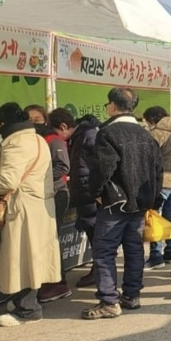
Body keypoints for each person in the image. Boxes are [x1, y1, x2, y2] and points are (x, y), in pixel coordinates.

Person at [0, 102, 60, 326]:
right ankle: (23, 302)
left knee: (20, 257)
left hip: (21, 207)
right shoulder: (36, 138)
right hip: (36, 205)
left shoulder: (15, 143)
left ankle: (28, 310)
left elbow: (8, 180)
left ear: (5, 123)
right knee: (31, 256)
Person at [84, 87, 163, 320]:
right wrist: (153, 199)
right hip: (140, 202)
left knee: (104, 251)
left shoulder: (108, 133)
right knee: (134, 249)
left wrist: (96, 192)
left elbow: (103, 168)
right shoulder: (146, 134)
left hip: (114, 203)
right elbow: (158, 171)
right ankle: (132, 295)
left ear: (112, 105)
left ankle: (109, 300)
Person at [36, 107, 76, 304]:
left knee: (52, 239)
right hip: (49, 194)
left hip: (57, 194)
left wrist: (38, 180)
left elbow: (62, 167)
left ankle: (58, 283)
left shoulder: (55, 140)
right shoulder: (45, 139)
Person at [143, 106, 171, 270]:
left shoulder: (158, 132)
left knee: (154, 217)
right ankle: (170, 251)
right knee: (169, 215)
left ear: (152, 119)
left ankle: (155, 255)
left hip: (161, 181)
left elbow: (147, 156)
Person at [68, 114, 101, 289]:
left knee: (94, 232)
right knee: (92, 231)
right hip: (86, 190)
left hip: (88, 192)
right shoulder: (84, 136)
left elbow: (97, 165)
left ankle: (99, 273)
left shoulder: (87, 136)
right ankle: (98, 272)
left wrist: (95, 190)